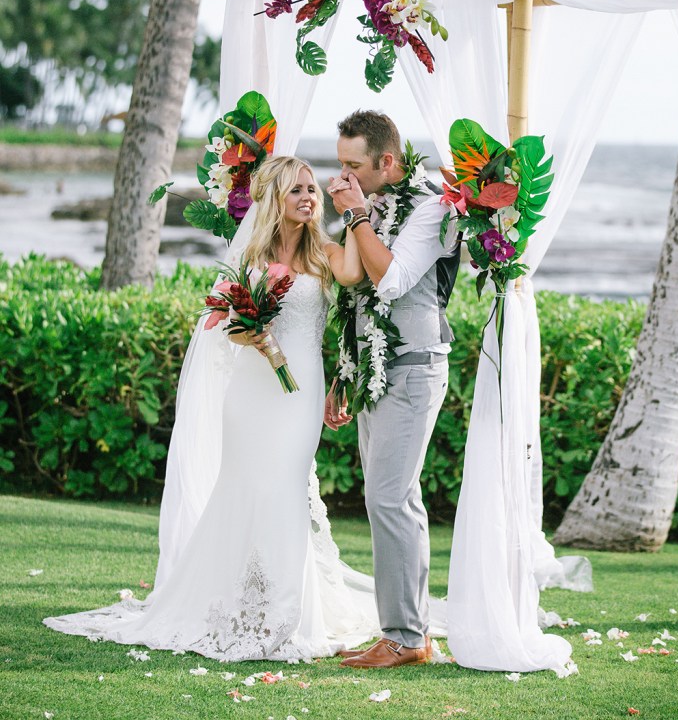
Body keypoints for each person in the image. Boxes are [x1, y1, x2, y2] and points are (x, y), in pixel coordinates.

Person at [43, 156, 379, 662]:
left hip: (301, 393)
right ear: (275, 199)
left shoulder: (325, 253)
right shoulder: (250, 257)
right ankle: (243, 602)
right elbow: (227, 326)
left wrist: (354, 212)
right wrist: (253, 335)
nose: (308, 198)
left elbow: (354, 274)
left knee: (285, 487)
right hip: (250, 393)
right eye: (296, 190)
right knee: (245, 489)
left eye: (312, 189)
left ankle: (283, 611)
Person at [325, 110, 459, 670]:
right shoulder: (373, 204)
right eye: (339, 166)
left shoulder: (432, 207)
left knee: (389, 500)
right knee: (392, 500)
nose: (343, 178)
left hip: (413, 367)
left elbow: (393, 279)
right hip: (376, 369)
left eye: (353, 166)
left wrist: (355, 214)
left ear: (387, 161)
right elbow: (355, 292)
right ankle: (406, 632)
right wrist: (345, 372)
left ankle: (406, 638)